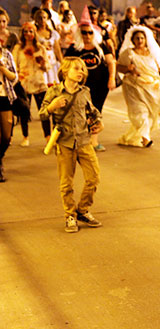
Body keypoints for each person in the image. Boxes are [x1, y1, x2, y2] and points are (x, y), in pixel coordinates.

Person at [39, 57, 103, 233]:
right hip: (65, 143)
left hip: (84, 141)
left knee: (93, 178)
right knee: (66, 184)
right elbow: (42, 114)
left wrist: (99, 121)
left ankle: (82, 210)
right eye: (77, 68)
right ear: (66, 71)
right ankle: (70, 215)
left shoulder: (85, 92)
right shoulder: (54, 92)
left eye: (82, 69)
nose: (81, 72)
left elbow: (92, 110)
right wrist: (52, 107)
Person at [117, 25, 160, 147]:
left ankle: (136, 136)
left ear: (146, 40)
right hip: (134, 87)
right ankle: (146, 138)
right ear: (132, 40)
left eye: (142, 38)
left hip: (151, 87)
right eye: (137, 38)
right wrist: (128, 69)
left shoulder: (152, 53)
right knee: (140, 111)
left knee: (149, 112)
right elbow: (118, 67)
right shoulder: (129, 53)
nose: (139, 41)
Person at [65, 20, 116, 152]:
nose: (87, 36)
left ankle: (94, 141)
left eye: (90, 33)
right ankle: (80, 140)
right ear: (79, 34)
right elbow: (65, 67)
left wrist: (111, 79)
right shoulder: (74, 49)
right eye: (84, 33)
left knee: (96, 112)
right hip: (80, 87)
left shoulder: (100, 46)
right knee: (79, 113)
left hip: (100, 85)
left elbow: (111, 62)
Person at [13, 22, 51, 147]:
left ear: (35, 33)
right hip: (24, 84)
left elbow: (47, 68)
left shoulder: (41, 48)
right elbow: (14, 66)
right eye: (25, 31)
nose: (28, 34)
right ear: (22, 33)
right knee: (25, 112)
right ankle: (25, 136)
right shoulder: (18, 48)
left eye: (31, 31)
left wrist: (42, 64)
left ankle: (48, 137)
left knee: (44, 112)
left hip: (39, 83)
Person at [0, 40, 18, 182]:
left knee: (6, 137)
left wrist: (3, 69)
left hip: (5, 97)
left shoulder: (6, 54)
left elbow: (14, 78)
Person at [34, 8, 62, 86]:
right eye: (40, 18)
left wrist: (62, 63)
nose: (42, 20)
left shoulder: (53, 33)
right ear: (36, 19)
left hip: (52, 63)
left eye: (44, 17)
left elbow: (57, 50)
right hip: (41, 63)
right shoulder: (34, 33)